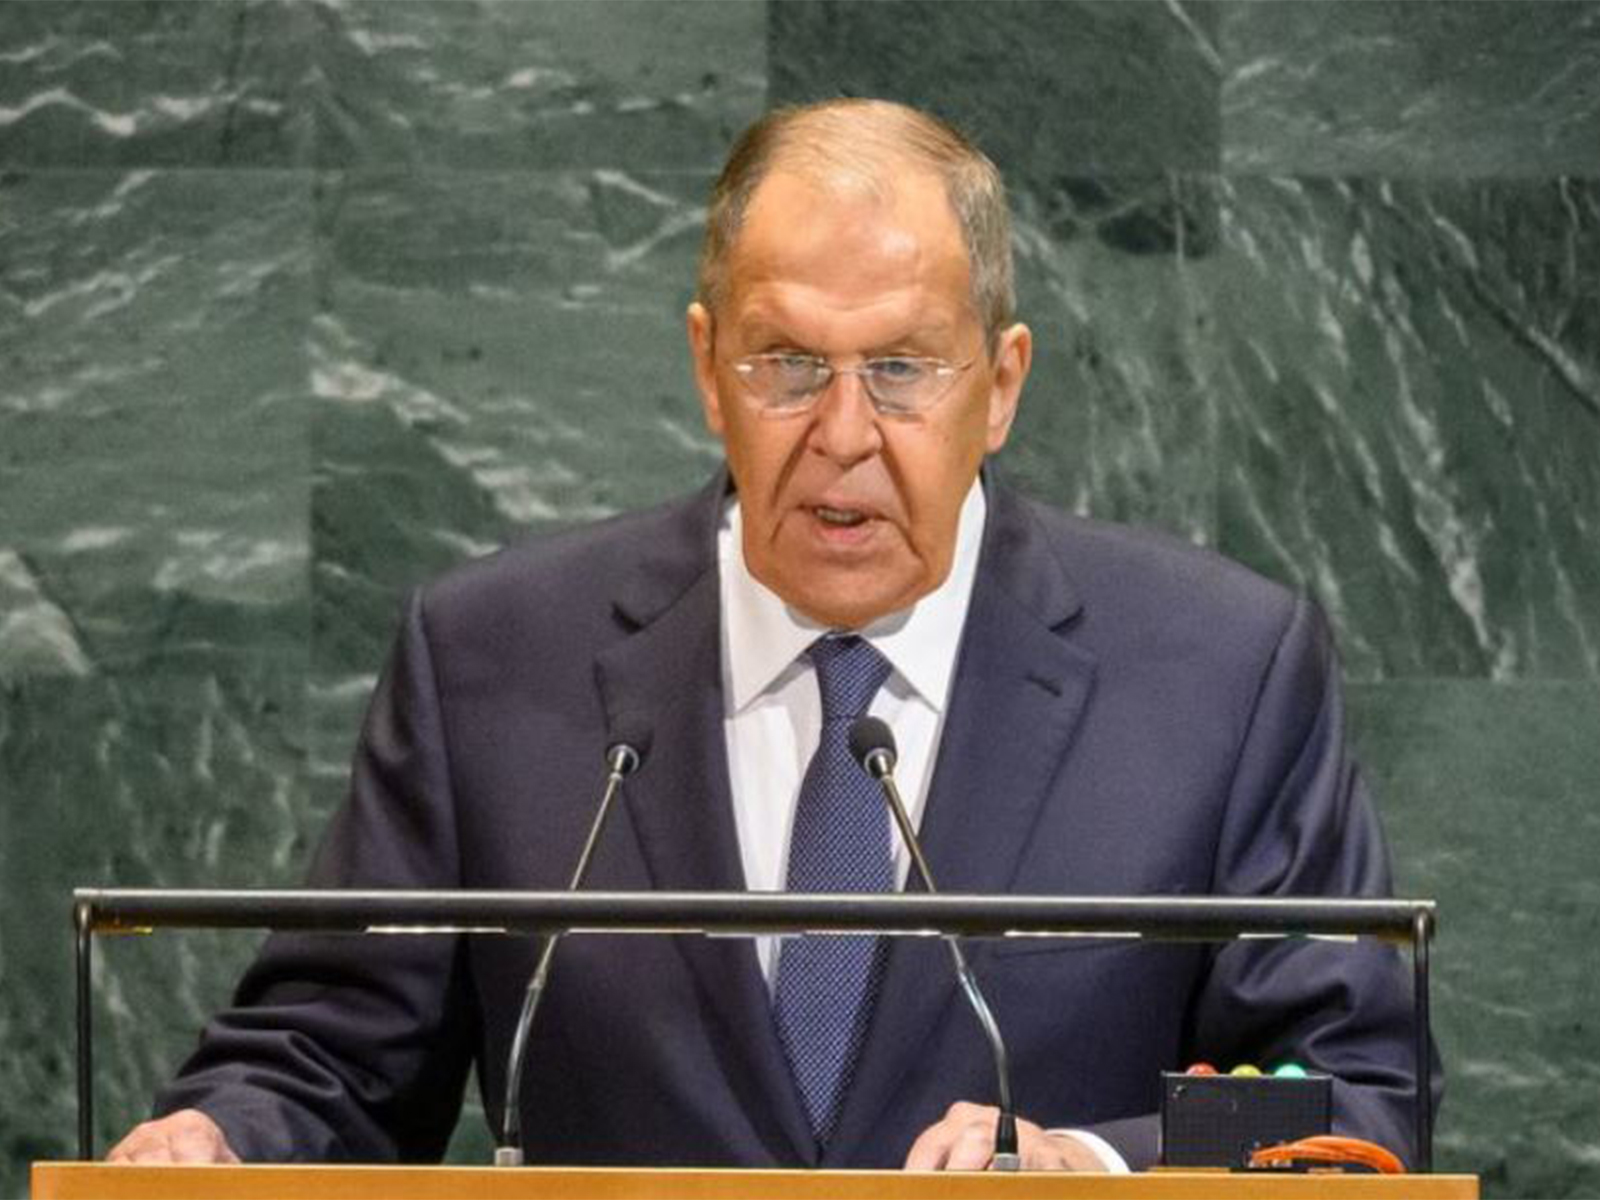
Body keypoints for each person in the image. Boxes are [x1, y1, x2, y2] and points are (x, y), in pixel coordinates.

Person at [109, 99, 1428, 1173]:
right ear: (705, 370)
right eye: (787, 364)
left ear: (1004, 383)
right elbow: (331, 1057)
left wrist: (1093, 1162)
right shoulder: (491, 659)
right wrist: (219, 1139)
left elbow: (1349, 1102)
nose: (842, 433)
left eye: (902, 369)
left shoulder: (1220, 674)